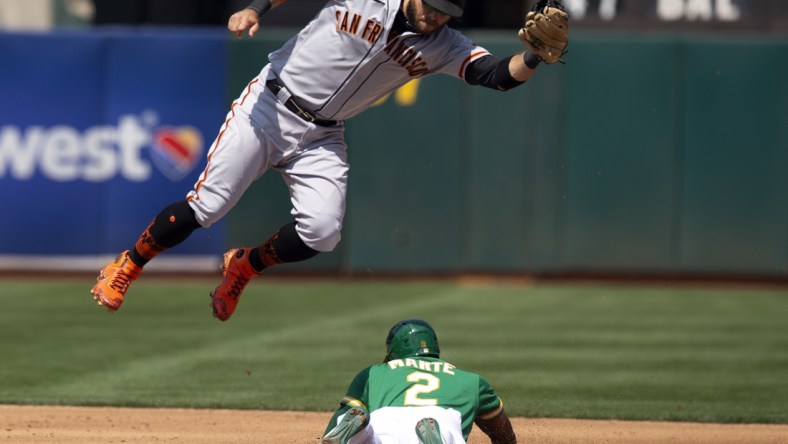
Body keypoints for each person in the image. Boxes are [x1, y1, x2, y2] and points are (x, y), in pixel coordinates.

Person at [90, 0, 569, 320]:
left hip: (322, 134)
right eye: (433, 6)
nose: (437, 18)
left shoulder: (445, 44)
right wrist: (255, 7)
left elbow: (494, 76)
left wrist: (531, 59)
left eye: (448, 12)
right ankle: (128, 263)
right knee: (209, 206)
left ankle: (246, 266)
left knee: (322, 233)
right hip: (269, 106)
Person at [321, 318, 517, 444]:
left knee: (371, 436)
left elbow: (334, 425)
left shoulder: (372, 373)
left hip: (385, 421)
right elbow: (503, 436)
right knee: (450, 432)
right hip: (438, 420)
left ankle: (357, 434)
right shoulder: (473, 381)